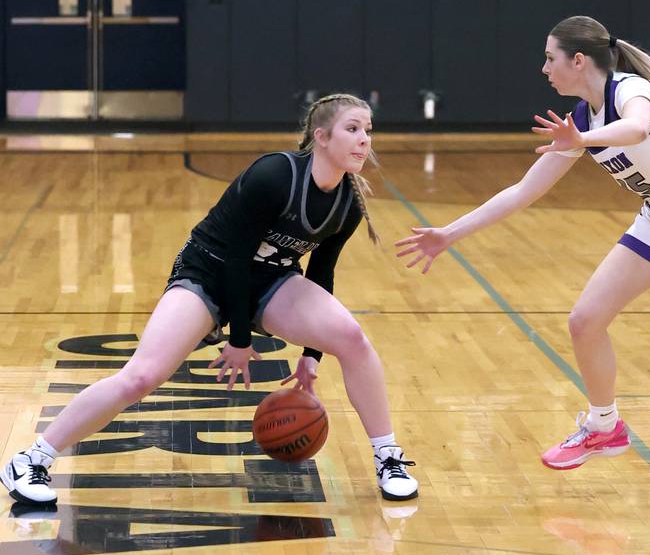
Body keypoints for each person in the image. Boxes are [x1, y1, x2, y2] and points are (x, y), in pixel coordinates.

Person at [2, 93, 418, 504]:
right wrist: (239, 340)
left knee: (352, 338)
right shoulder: (274, 175)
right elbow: (235, 259)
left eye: (368, 130)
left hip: (271, 281)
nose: (364, 139)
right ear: (321, 137)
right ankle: (32, 459)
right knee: (142, 377)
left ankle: (388, 456)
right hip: (209, 271)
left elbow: (321, 273)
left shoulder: (347, 204)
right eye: (353, 129)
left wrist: (312, 355)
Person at [396, 16, 650, 485]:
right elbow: (523, 191)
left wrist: (582, 141)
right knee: (584, 321)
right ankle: (604, 426)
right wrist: (450, 233)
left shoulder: (630, 92)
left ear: (578, 60)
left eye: (550, 58)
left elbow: (637, 129)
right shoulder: (581, 119)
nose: (544, 69)